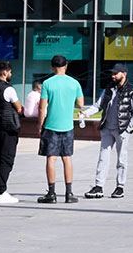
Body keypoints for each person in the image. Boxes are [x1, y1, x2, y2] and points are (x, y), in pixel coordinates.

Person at [80, 63, 133, 200]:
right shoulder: (108, 89)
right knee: (103, 157)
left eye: (116, 73)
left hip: (122, 129)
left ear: (124, 74)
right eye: (112, 74)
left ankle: (120, 187)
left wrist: (128, 130)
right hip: (107, 128)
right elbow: (99, 105)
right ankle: (99, 186)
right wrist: (86, 114)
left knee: (121, 159)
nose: (113, 76)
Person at [38, 55, 84, 204]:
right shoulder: (74, 83)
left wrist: (40, 125)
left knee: (51, 158)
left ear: (52, 67)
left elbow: (42, 107)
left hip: (51, 125)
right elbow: (81, 104)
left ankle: (51, 193)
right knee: (67, 158)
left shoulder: (47, 83)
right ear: (66, 66)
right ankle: (69, 193)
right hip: (68, 125)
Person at [0, 61, 22, 203]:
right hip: (8, 130)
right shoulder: (8, 89)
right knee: (6, 160)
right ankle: (1, 191)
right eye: (10, 72)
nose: (10, 74)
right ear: (4, 73)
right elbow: (18, 108)